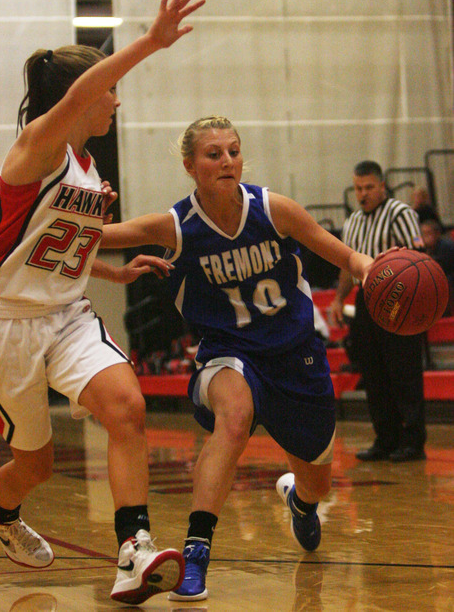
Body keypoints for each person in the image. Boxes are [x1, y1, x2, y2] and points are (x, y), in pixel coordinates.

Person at [0, 0, 205, 605]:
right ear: (86, 93)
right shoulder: (37, 147)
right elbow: (76, 97)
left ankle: (134, 548)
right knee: (34, 467)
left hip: (66, 314)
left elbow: (54, 244)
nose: (115, 101)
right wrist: (149, 41)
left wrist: (110, 270)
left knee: (127, 407)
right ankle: (1, 510)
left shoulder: (88, 171)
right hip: (2, 325)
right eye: (109, 89)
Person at [91, 115, 375, 601]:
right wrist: (85, 213)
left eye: (233, 151)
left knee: (318, 483)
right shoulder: (176, 225)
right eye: (213, 153)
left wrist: (373, 269)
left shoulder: (273, 209)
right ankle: (196, 554)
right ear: (190, 165)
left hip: (295, 355)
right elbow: (97, 238)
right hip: (227, 355)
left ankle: (300, 502)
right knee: (235, 415)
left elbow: (346, 257)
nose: (227, 161)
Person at [328, 160, 427, 463]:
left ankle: (412, 441)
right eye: (358, 188)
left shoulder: (401, 213)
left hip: (399, 300)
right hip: (365, 300)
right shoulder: (353, 221)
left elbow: (420, 256)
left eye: (369, 187)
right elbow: (348, 266)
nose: (363, 194)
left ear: (382, 186)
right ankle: (385, 439)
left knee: (403, 371)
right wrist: (337, 299)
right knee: (373, 372)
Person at [421, 218, 454, 316]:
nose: (426, 237)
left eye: (428, 233)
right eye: (423, 234)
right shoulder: (421, 248)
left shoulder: (448, 247)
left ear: (437, 234)